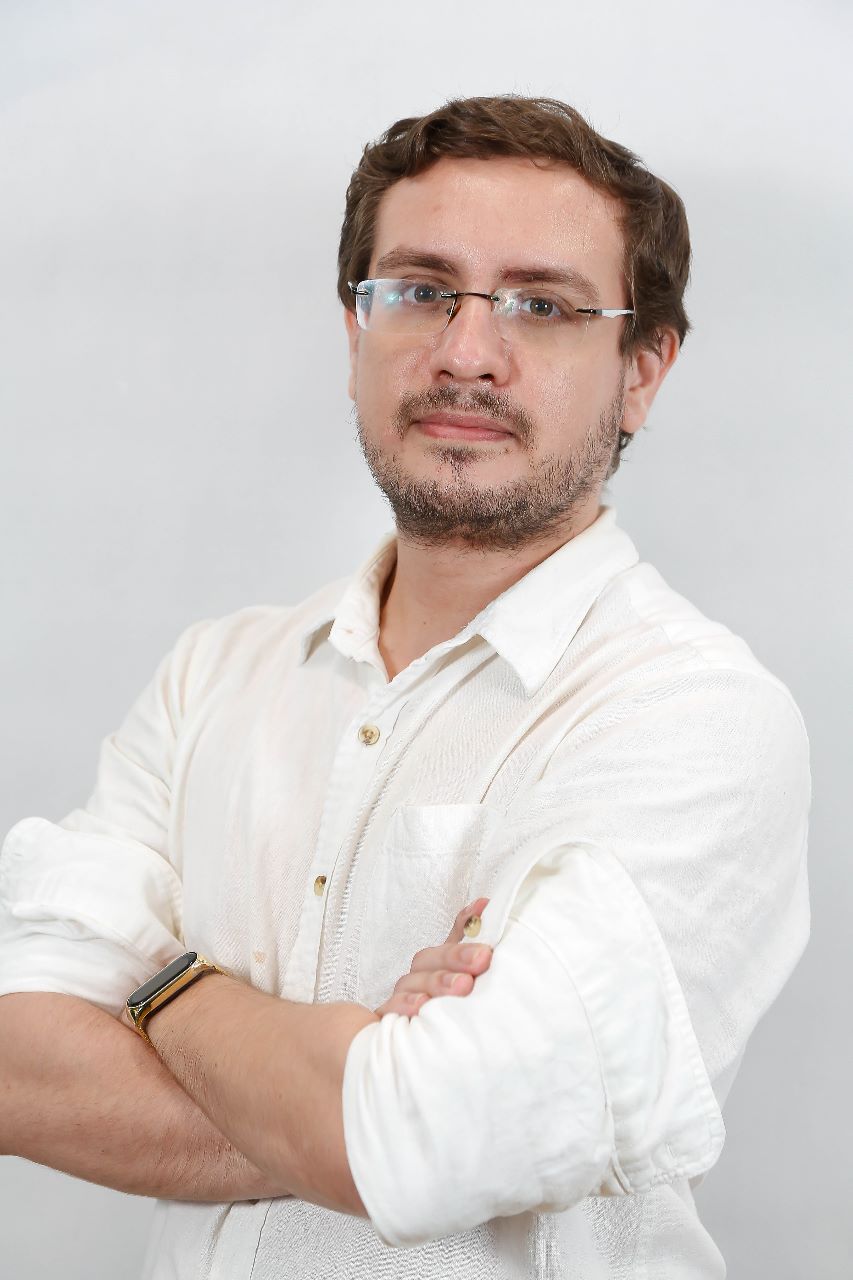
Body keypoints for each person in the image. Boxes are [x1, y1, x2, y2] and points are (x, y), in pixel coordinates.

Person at [0, 94, 811, 1278]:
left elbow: (432, 1135)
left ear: (642, 370)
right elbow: (16, 1061)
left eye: (541, 304)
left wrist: (157, 977)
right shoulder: (213, 674)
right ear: (356, 332)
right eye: (421, 289)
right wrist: (356, 1097)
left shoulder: (694, 713)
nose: (465, 352)